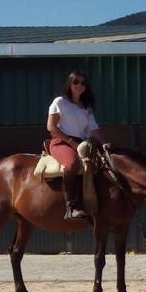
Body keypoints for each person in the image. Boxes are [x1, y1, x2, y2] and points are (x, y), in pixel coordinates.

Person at [46, 70, 107, 219]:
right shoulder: (60, 102)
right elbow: (51, 127)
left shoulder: (87, 108)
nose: (79, 85)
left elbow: (93, 129)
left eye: (83, 83)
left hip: (82, 143)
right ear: (69, 84)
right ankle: (71, 206)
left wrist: (105, 144)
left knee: (102, 165)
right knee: (73, 163)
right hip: (61, 142)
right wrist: (71, 141)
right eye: (76, 82)